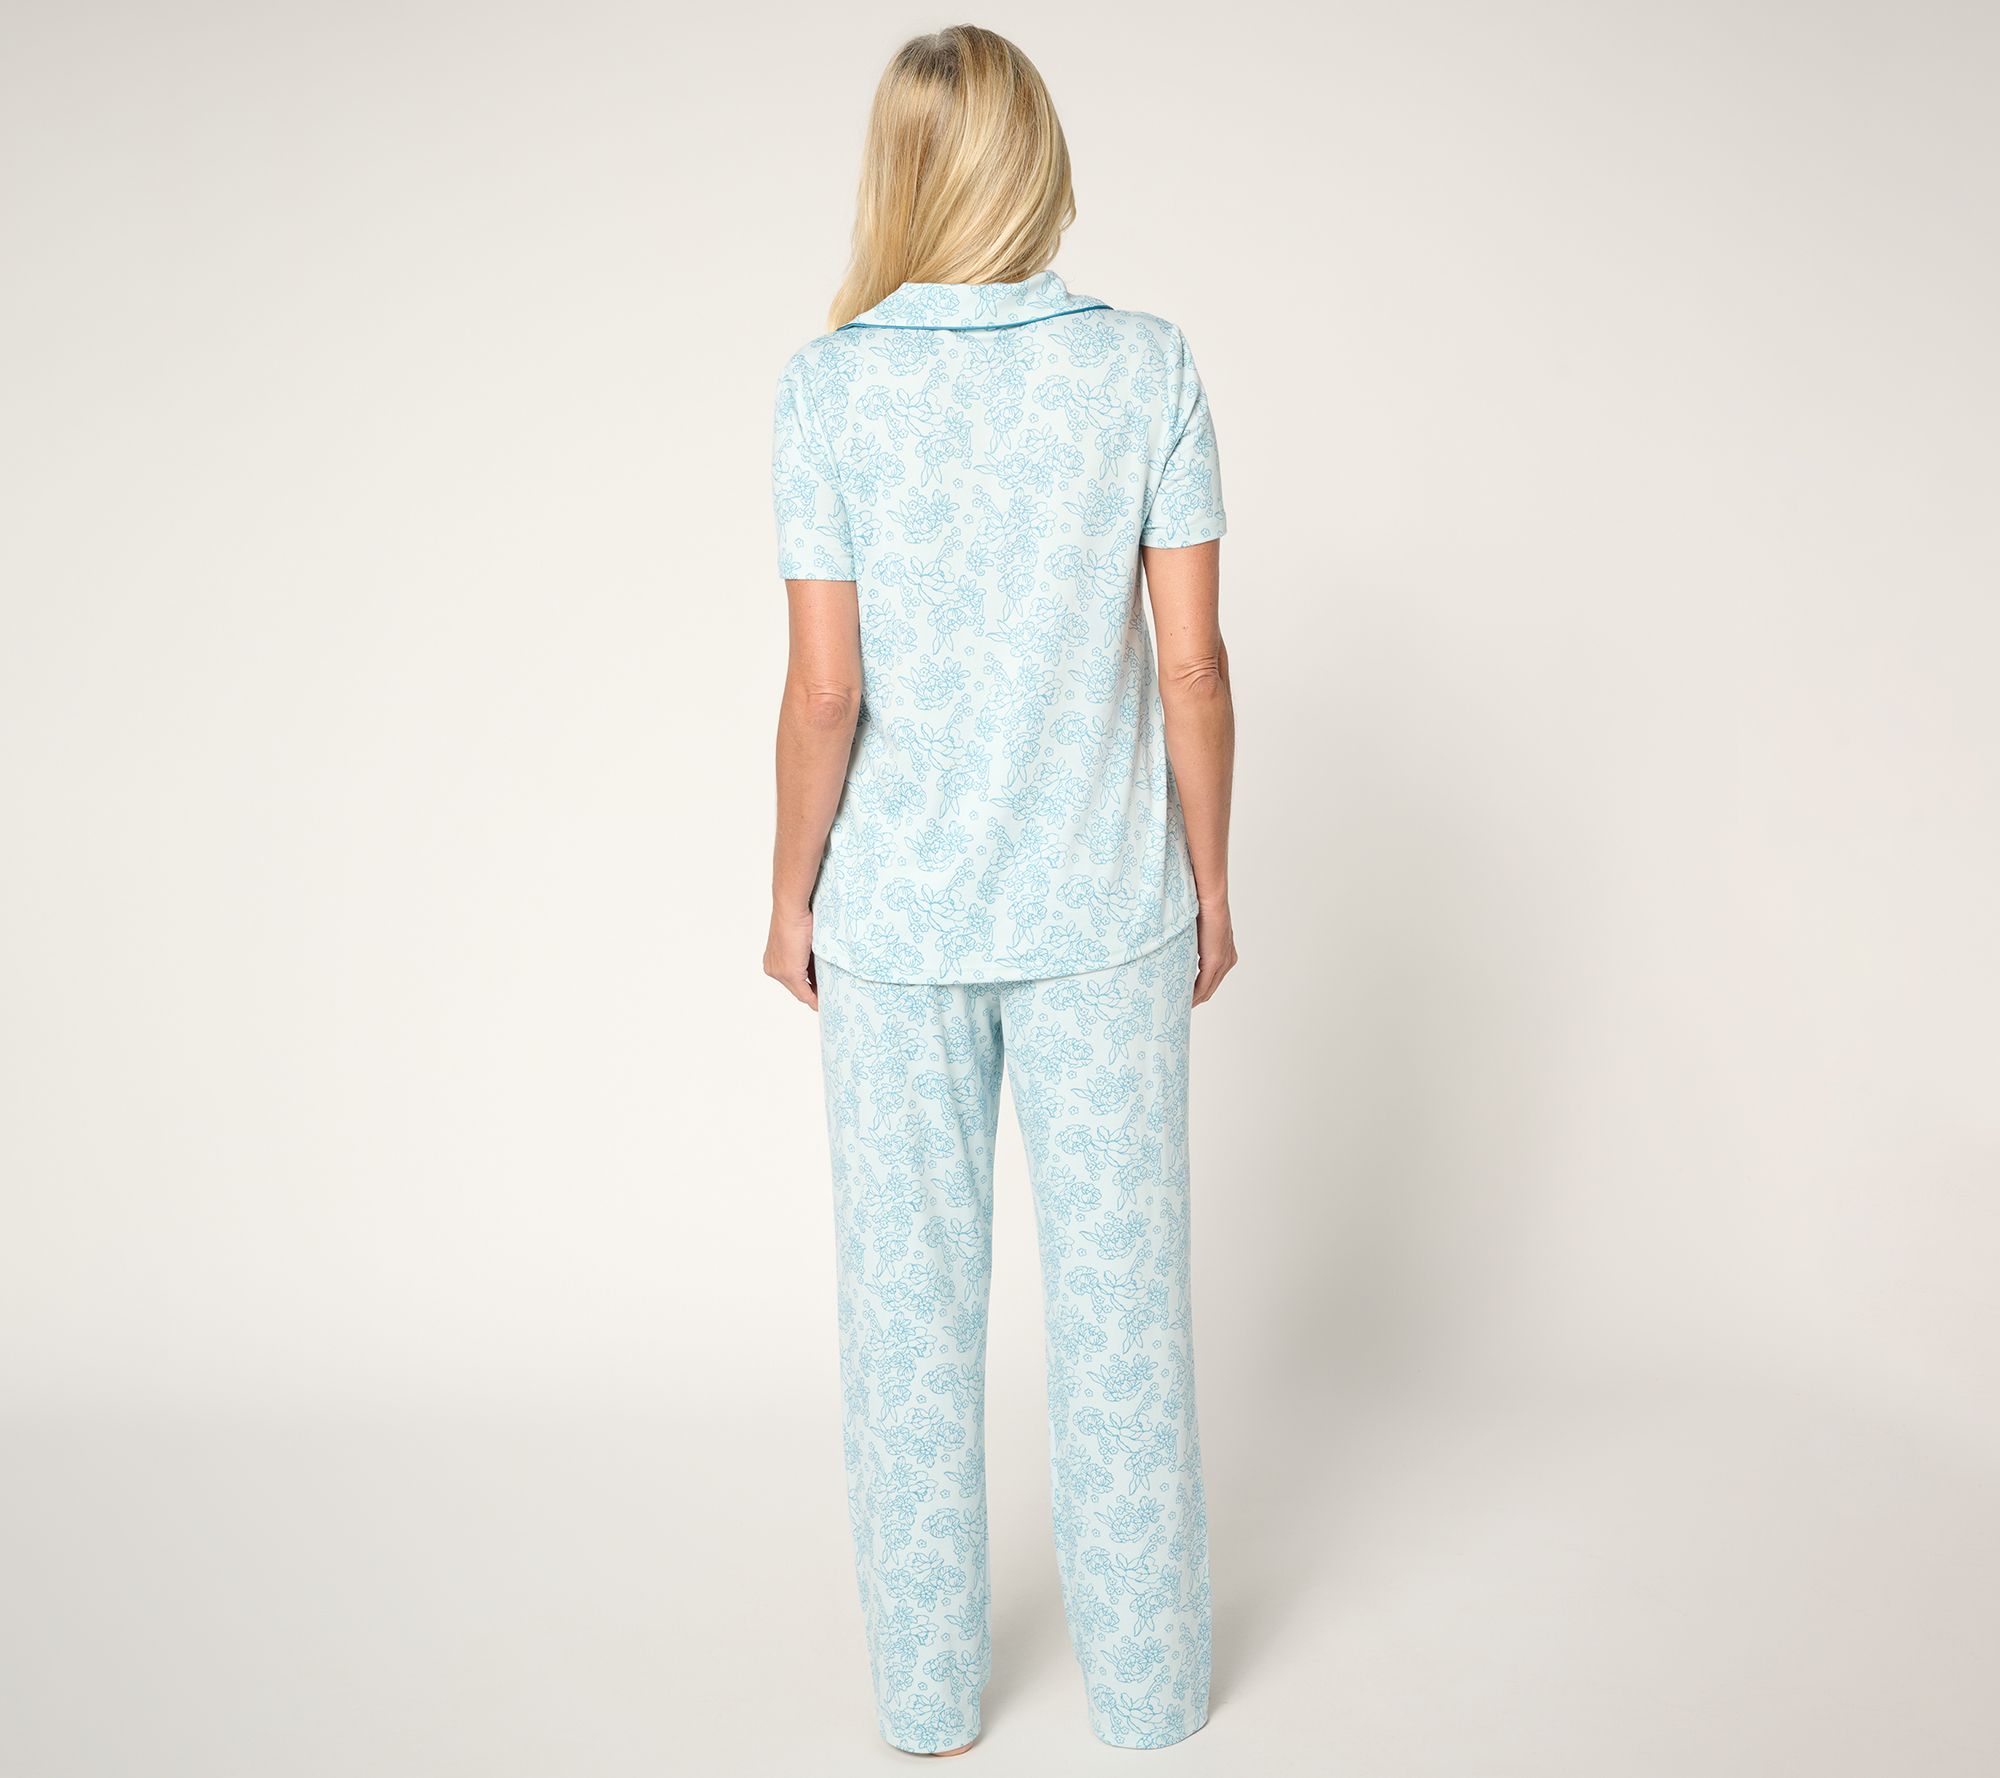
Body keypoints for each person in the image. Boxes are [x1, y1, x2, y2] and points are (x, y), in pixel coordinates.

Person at [763, 23, 1236, 1757]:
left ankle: (925, 1699)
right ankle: (1153, 1693)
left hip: (896, 926)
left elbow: (826, 693)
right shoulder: (1146, 368)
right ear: (1037, 162)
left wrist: (789, 896)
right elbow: (1191, 669)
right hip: (1106, 911)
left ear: (898, 173)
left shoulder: (828, 388)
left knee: (906, 1322)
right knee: (1124, 1317)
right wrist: (1210, 878)